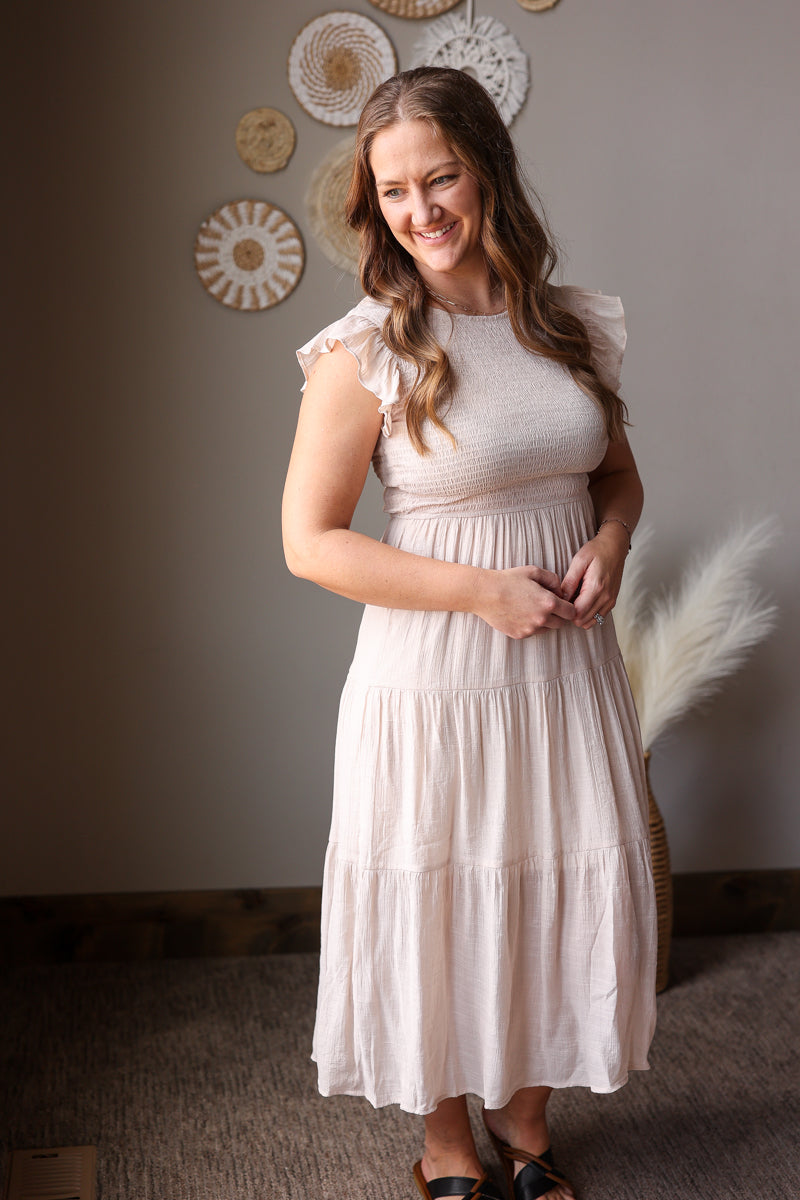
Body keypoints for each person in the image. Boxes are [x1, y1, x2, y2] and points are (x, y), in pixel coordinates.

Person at [282, 66, 657, 1200]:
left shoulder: (566, 322)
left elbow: (619, 478)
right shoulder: (365, 349)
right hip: (437, 676)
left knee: (551, 884)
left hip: (564, 671)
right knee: (439, 893)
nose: (419, 210)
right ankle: (448, 1143)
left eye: (438, 177)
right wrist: (480, 594)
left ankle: (526, 1121)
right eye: (391, 191)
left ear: (486, 170)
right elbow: (310, 542)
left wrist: (613, 541)